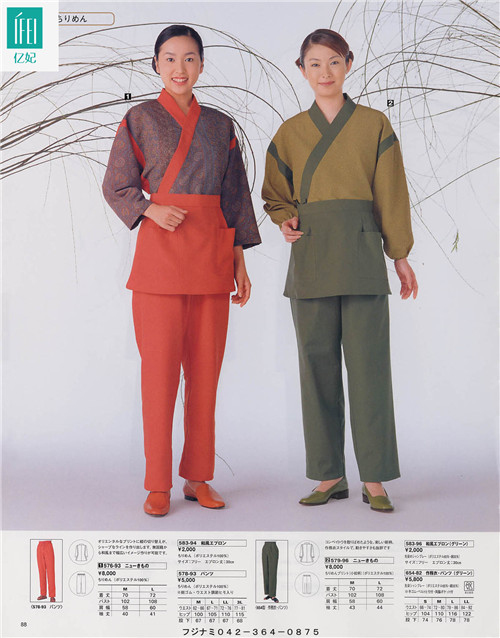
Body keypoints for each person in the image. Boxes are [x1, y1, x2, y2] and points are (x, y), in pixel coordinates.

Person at [103, 25, 261, 516]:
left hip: (212, 257)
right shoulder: (138, 118)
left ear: (201, 65)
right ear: (156, 64)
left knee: (205, 376)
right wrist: (150, 209)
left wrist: (239, 260)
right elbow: (116, 185)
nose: (179, 68)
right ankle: (157, 483)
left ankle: (198, 477)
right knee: (159, 376)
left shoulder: (220, 125)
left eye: (189, 58)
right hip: (160, 260)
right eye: (169, 58)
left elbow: (235, 195)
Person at [262, 29, 417, 512]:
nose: (324, 72)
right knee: (317, 369)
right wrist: (284, 219)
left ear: (348, 63)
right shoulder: (289, 132)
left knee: (370, 368)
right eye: (314, 63)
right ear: (301, 69)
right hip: (311, 255)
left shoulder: (374, 124)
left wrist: (400, 254)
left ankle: (374, 477)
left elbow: (391, 191)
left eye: (333, 62)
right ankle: (329, 474)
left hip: (363, 253)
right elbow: (274, 194)